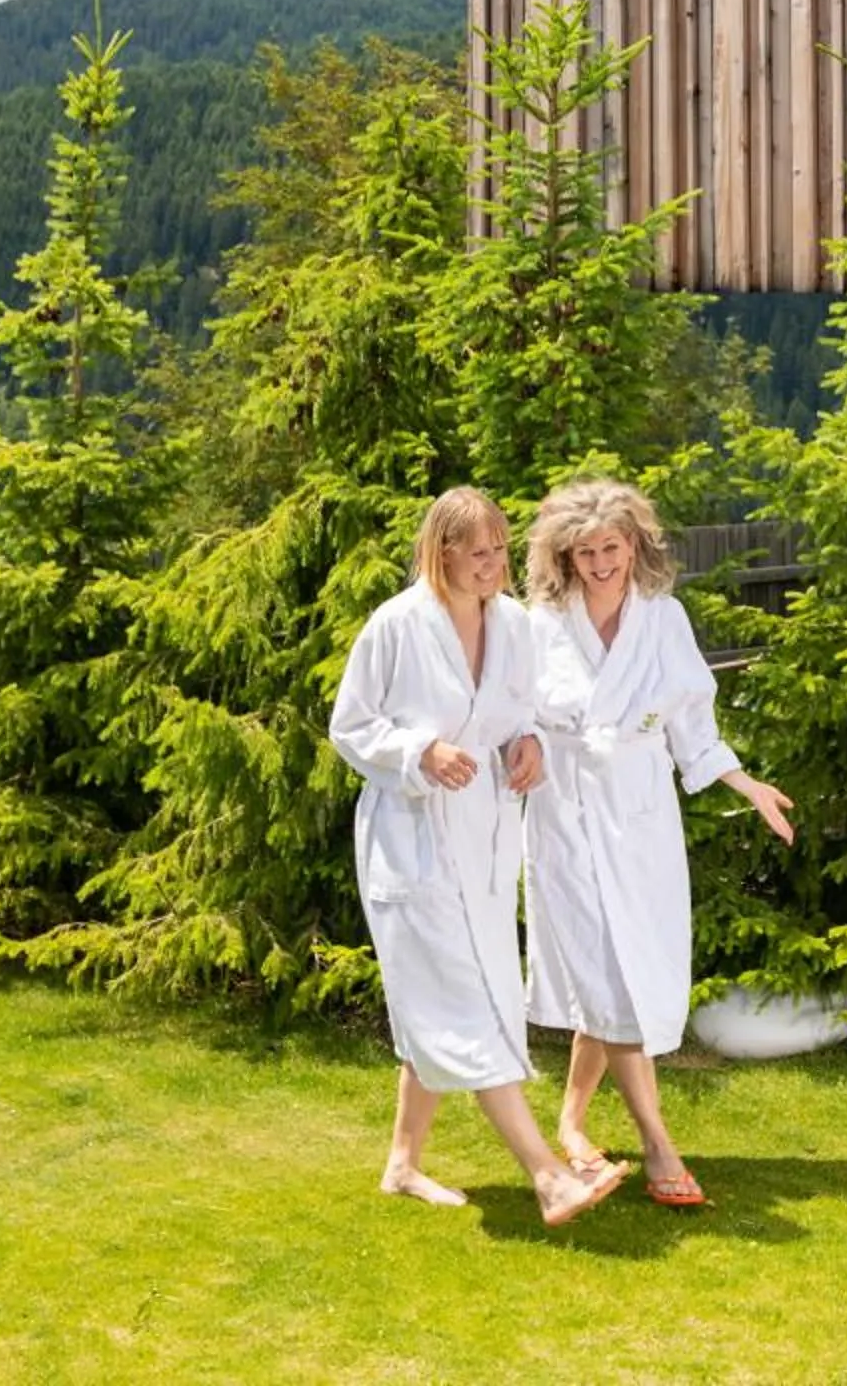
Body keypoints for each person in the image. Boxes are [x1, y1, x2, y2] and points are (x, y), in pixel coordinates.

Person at [328, 486, 630, 1225]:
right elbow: (350, 724)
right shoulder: (396, 628)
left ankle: (402, 1166)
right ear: (443, 551)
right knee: (461, 1004)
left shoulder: (516, 626)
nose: (493, 563)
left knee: (460, 997)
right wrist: (418, 751)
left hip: (486, 841)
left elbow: (519, 712)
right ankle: (549, 1177)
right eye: (478, 551)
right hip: (413, 842)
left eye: (500, 549)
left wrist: (525, 743)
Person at [522, 477, 796, 1209]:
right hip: (565, 817)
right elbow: (509, 714)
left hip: (639, 818)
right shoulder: (540, 623)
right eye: (586, 552)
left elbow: (692, 729)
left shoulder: (664, 619)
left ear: (634, 545)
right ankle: (656, 1144)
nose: (601, 563)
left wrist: (747, 786)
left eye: (612, 547)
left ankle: (573, 1126)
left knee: (620, 970)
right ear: (566, 556)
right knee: (609, 980)